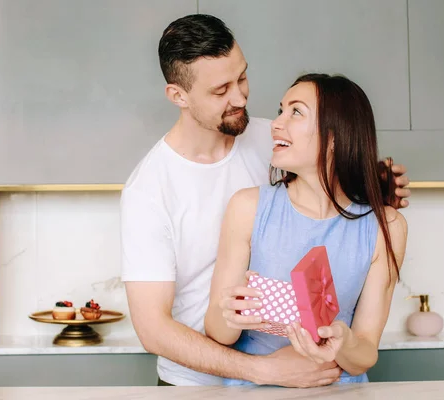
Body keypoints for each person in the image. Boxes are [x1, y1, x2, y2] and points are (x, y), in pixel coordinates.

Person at [119, 14, 411, 387]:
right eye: (220, 90)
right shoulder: (149, 191)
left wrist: (376, 184)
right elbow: (153, 329)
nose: (240, 97)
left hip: (309, 372)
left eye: (242, 77)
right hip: (194, 383)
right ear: (179, 95)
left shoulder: (273, 141)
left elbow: (333, 169)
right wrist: (263, 371)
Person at [204, 73, 408, 386]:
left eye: (296, 112)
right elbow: (218, 332)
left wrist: (343, 342)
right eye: (280, 110)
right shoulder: (247, 207)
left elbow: (365, 355)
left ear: (336, 136)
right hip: (257, 390)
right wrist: (229, 313)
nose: (275, 123)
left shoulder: (386, 227)